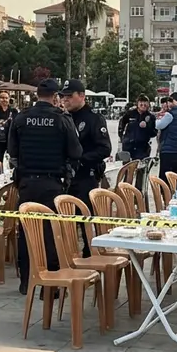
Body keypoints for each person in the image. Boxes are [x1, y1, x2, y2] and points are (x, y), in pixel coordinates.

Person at [6, 79, 81, 295]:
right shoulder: (61, 119)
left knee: (26, 232)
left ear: (37, 95)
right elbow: (75, 152)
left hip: (27, 183)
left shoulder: (21, 118)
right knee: (51, 233)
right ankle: (51, 284)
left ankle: (26, 281)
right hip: (52, 183)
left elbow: (12, 151)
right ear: (55, 96)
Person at [59, 80, 112, 255]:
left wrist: (81, 160)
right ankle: (67, 255)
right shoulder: (63, 117)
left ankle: (89, 255)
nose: (65, 99)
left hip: (85, 176)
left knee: (85, 219)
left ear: (81, 96)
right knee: (65, 220)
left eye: (69, 96)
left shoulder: (93, 118)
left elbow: (104, 148)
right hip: (65, 177)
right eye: (63, 96)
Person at [156, 91, 177, 188]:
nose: (167, 104)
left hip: (168, 151)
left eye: (169, 101)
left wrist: (158, 118)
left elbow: (159, 125)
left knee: (165, 179)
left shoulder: (171, 114)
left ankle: (165, 199)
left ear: (173, 101)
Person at [119, 95, 157, 161]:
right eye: (141, 103)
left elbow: (154, 133)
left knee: (140, 168)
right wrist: (121, 137)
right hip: (127, 146)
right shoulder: (130, 113)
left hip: (142, 148)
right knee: (126, 167)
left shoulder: (151, 117)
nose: (143, 105)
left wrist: (147, 127)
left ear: (148, 104)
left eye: (145, 103)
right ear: (137, 104)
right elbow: (121, 124)